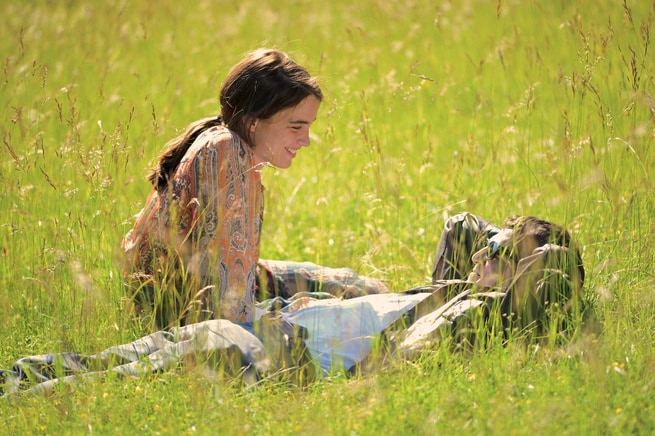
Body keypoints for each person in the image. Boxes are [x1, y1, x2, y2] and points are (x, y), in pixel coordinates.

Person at [121, 49, 323, 328]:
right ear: (254, 122)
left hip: (202, 300)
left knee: (351, 284)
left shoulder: (232, 147)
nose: (306, 140)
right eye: (296, 127)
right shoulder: (226, 151)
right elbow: (230, 308)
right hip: (178, 317)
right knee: (351, 306)